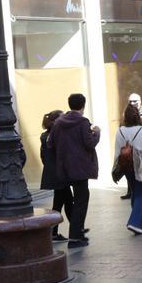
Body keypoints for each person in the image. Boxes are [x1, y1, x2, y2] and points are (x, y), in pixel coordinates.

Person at [49, 93, 100, 248]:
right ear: (83, 105)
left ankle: (75, 236)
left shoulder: (58, 122)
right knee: (80, 201)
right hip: (80, 168)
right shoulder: (83, 122)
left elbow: (50, 143)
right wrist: (97, 132)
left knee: (71, 201)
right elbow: (89, 144)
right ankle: (76, 238)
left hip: (64, 168)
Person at [114, 104, 142, 235]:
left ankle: (141, 220)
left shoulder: (120, 131)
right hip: (141, 165)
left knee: (135, 191)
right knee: (140, 193)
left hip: (126, 164)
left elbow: (117, 152)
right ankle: (133, 222)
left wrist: (116, 168)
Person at [41, 111, 72, 241]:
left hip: (54, 174)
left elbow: (43, 157)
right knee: (69, 201)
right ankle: (77, 228)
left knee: (59, 203)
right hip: (59, 174)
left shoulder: (45, 136)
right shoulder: (55, 136)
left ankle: (54, 232)